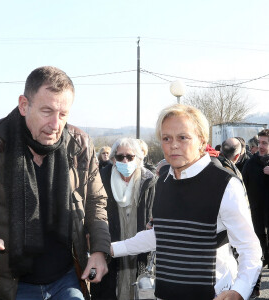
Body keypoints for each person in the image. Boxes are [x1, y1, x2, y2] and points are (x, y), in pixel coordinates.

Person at [0, 66, 111, 300]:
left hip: (67, 278)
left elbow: (96, 202)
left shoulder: (80, 145)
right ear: (24, 105)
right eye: (47, 111)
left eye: (63, 114)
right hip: (13, 285)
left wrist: (99, 250)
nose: (56, 124)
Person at [111, 104, 262, 300]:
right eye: (166, 138)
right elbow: (163, 235)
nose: (173, 145)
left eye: (183, 137)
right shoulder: (163, 180)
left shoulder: (225, 184)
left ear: (201, 140)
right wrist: (111, 248)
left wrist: (239, 291)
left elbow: (249, 248)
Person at [91, 137, 156, 300]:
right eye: (120, 157)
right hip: (111, 254)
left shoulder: (150, 182)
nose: (125, 160)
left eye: (130, 156)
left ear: (139, 158)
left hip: (141, 252)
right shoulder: (101, 180)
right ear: (113, 159)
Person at [242, 129, 269, 297]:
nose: (260, 146)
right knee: (257, 252)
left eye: (265, 143)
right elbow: (241, 189)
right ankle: (255, 287)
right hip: (256, 217)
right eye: (259, 143)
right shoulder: (250, 164)